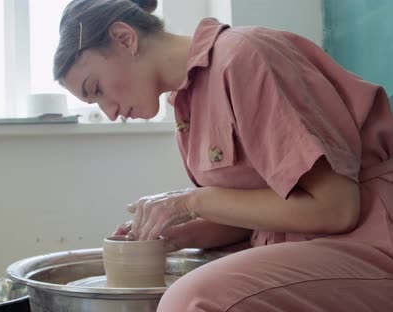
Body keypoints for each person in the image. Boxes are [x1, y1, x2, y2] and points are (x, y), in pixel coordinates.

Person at [53, 0, 393, 311]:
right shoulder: (185, 105)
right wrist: (175, 236)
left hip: (371, 236)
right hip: (305, 242)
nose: (108, 112)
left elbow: (337, 208)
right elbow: (261, 211)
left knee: (188, 299)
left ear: (124, 38)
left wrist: (190, 202)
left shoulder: (244, 56)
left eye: (95, 89)